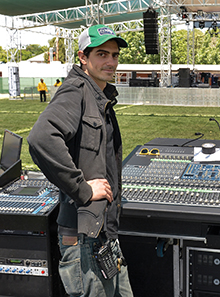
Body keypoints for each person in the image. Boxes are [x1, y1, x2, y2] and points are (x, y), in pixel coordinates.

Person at [27, 24, 133, 297]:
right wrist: (83, 189)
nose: (111, 62)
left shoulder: (99, 95)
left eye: (115, 54)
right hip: (84, 237)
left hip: (103, 233)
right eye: (102, 54)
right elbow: (41, 139)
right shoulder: (76, 90)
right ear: (83, 58)